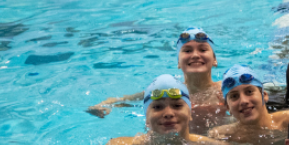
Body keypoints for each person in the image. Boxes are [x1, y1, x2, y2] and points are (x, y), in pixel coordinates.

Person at [66, 75, 224, 145]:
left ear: (190, 115)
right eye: (157, 107)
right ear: (147, 120)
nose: (168, 113)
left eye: (177, 106)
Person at [87, 27, 228, 133]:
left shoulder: (227, 90)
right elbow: (122, 100)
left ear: (215, 60)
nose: (195, 55)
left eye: (203, 50)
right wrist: (102, 105)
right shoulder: (167, 89)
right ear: (178, 62)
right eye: (187, 51)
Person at [206, 65, 289, 144]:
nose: (243, 101)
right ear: (228, 107)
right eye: (234, 96)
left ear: (264, 95)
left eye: (249, 92)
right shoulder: (220, 135)